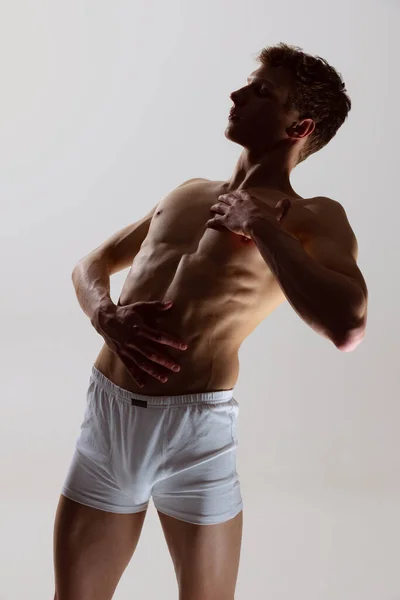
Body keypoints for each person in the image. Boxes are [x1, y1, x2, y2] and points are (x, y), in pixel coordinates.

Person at [53, 42, 368, 600]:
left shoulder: (312, 216)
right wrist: (105, 313)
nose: (237, 94)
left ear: (301, 127)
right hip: (107, 417)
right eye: (248, 84)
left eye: (261, 92)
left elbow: (347, 325)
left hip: (195, 434)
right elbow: (91, 264)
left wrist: (264, 228)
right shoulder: (187, 193)